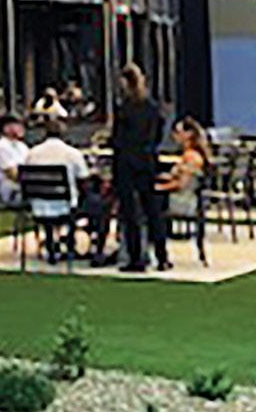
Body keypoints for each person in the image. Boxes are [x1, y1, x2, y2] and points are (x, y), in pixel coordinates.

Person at [24, 117, 112, 263]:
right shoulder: (72, 153)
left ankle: (54, 243)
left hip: (38, 206)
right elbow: (84, 181)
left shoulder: (31, 153)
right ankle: (97, 250)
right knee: (103, 205)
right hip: (66, 207)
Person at [109, 63, 169, 272]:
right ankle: (162, 255)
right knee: (152, 210)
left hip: (126, 162)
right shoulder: (152, 107)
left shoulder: (124, 108)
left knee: (130, 212)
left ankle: (136, 257)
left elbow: (117, 138)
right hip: (147, 160)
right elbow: (158, 133)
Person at [157, 116, 213, 224]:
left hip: (183, 202)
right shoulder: (192, 154)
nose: (174, 135)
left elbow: (182, 184)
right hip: (187, 198)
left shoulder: (190, 157)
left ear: (189, 134)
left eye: (178, 132)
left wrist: (159, 187)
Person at [0, 114, 28, 205]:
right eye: (18, 125)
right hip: (12, 191)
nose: (22, 128)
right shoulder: (1, 148)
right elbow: (14, 175)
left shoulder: (22, 146)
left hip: (27, 186)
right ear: (6, 128)